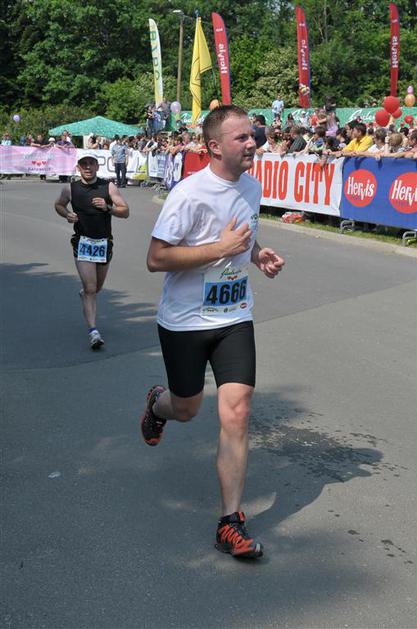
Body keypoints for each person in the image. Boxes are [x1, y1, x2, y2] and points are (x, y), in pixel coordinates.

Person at [141, 105, 285, 559]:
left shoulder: (252, 186)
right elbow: (156, 258)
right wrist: (219, 249)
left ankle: (229, 522)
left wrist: (256, 254)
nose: (252, 143)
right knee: (187, 408)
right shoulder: (189, 194)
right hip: (185, 321)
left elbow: (244, 235)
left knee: (237, 413)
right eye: (241, 137)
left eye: (252, 135)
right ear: (214, 147)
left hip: (234, 316)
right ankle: (158, 404)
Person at [54, 152, 129, 349]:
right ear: (78, 167)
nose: (87, 167)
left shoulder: (108, 187)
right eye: (83, 164)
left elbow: (125, 211)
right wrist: (67, 214)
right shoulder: (70, 188)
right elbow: (58, 205)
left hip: (104, 243)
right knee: (90, 288)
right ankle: (93, 332)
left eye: (91, 163)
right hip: (82, 243)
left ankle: (87, 294)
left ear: (97, 166)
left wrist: (108, 207)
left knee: (96, 288)